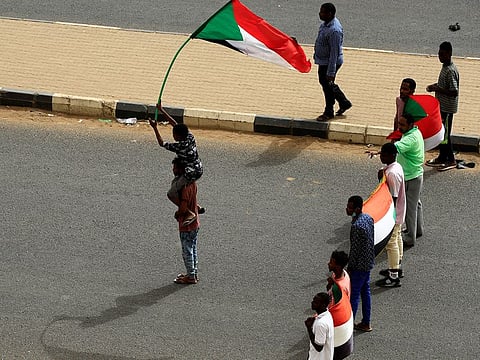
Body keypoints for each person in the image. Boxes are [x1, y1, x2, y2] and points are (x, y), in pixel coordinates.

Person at [149, 109, 204, 226]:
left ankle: (189, 212)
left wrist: (155, 127)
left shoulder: (179, 146)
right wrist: (161, 110)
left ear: (178, 136)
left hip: (190, 173)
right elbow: (175, 123)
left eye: (174, 134)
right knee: (174, 182)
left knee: (171, 193)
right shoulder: (190, 137)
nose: (173, 135)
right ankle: (196, 206)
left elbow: (161, 143)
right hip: (199, 168)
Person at [314, 3, 352, 122]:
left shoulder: (334, 30)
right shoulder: (325, 25)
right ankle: (343, 102)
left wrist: (331, 71)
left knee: (327, 86)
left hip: (330, 63)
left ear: (330, 14)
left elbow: (334, 53)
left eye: (323, 12)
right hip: (323, 61)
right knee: (327, 84)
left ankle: (329, 112)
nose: (320, 14)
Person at [426, 41, 460, 172]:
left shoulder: (450, 70)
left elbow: (454, 91)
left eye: (442, 54)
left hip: (447, 108)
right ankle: (442, 156)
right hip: (442, 107)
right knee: (442, 133)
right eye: (438, 54)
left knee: (445, 135)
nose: (440, 57)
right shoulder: (445, 67)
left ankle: (450, 160)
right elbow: (444, 85)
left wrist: (437, 89)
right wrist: (435, 87)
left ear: (449, 54)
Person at [376, 143, 406, 287]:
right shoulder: (395, 167)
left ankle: (393, 276)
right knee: (397, 236)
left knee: (391, 243)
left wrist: (388, 218)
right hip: (400, 210)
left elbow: (392, 197)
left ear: (392, 155)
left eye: (384, 154)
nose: (381, 156)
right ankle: (397, 266)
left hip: (394, 212)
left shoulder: (392, 173)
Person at [394, 113, 424, 247]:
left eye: (402, 125)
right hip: (415, 174)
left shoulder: (410, 139)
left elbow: (396, 148)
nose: (399, 127)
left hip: (410, 177)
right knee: (416, 204)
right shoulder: (415, 132)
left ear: (410, 125)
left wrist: (378, 152)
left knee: (409, 208)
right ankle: (417, 230)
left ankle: (410, 238)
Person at [346, 195, 374, 332]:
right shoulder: (368, 218)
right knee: (365, 292)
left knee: (355, 294)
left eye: (350, 207)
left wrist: (350, 267)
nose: (347, 209)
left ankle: (348, 326)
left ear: (357, 208)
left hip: (359, 266)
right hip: (368, 262)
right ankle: (366, 321)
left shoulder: (357, 226)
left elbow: (355, 250)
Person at [170, 158, 200, 285]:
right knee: (193, 248)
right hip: (195, 223)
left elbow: (183, 207)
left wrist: (178, 213)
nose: (173, 170)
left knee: (186, 250)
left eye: (176, 168)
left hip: (187, 225)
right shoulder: (192, 183)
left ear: (182, 170)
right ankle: (193, 272)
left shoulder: (184, 187)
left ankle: (191, 276)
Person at [305, 292, 334, 360]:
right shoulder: (328, 315)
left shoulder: (321, 324)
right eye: (313, 300)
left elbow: (319, 347)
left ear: (323, 305)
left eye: (315, 302)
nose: (312, 303)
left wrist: (309, 328)